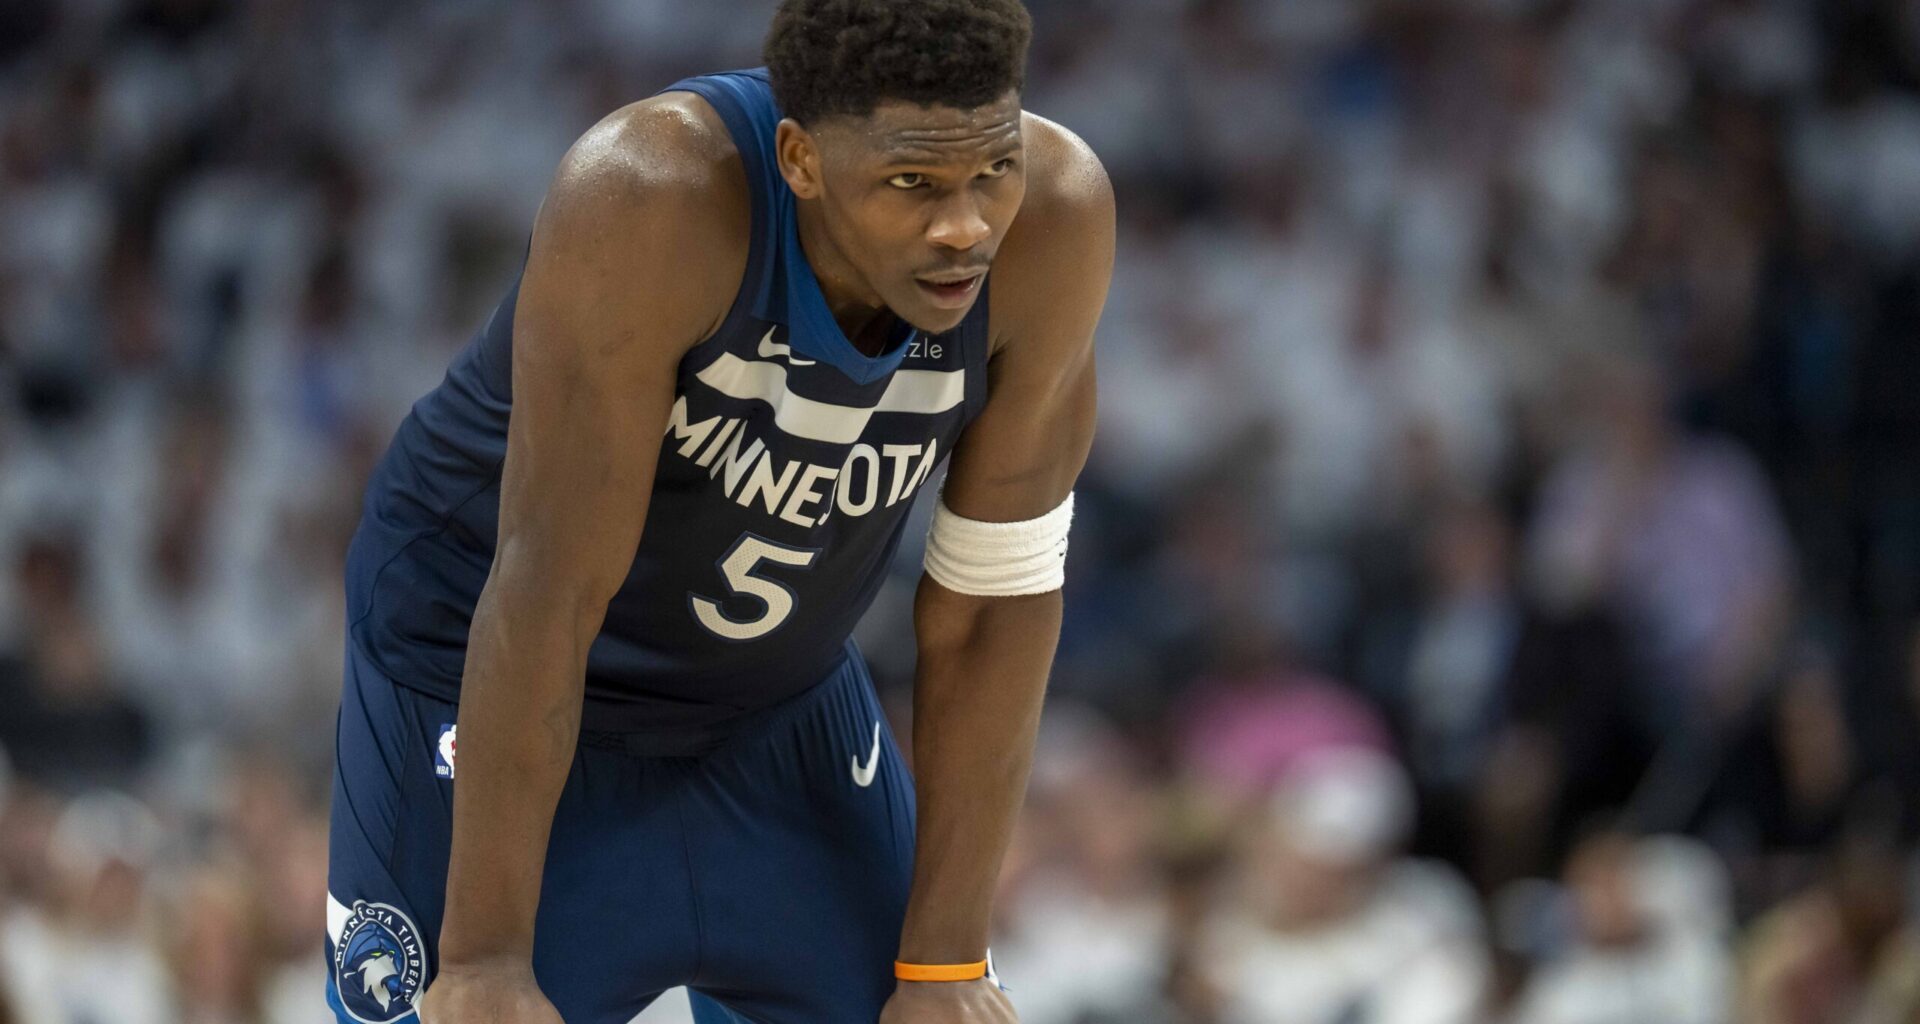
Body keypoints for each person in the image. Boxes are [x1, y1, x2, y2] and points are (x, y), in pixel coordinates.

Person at [323, 0, 1112, 1022]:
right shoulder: (652, 199)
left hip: (770, 692)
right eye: (912, 184)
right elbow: (549, 593)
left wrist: (948, 965)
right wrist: (480, 961)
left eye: (990, 171)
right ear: (799, 160)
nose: (964, 227)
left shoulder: (1055, 222)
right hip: (483, 662)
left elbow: (994, 603)